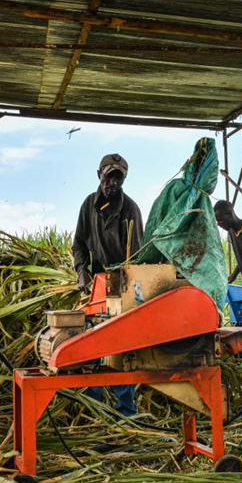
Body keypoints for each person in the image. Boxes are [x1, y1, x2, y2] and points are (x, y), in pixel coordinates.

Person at [72, 153, 144, 416]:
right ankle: (95, 408)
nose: (112, 182)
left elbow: (135, 257)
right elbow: (78, 244)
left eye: (118, 177)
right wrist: (82, 270)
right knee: (92, 339)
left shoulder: (130, 210)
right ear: (99, 174)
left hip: (123, 281)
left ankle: (125, 409)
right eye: (108, 175)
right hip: (98, 280)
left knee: (123, 344)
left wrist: (125, 288)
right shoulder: (88, 205)